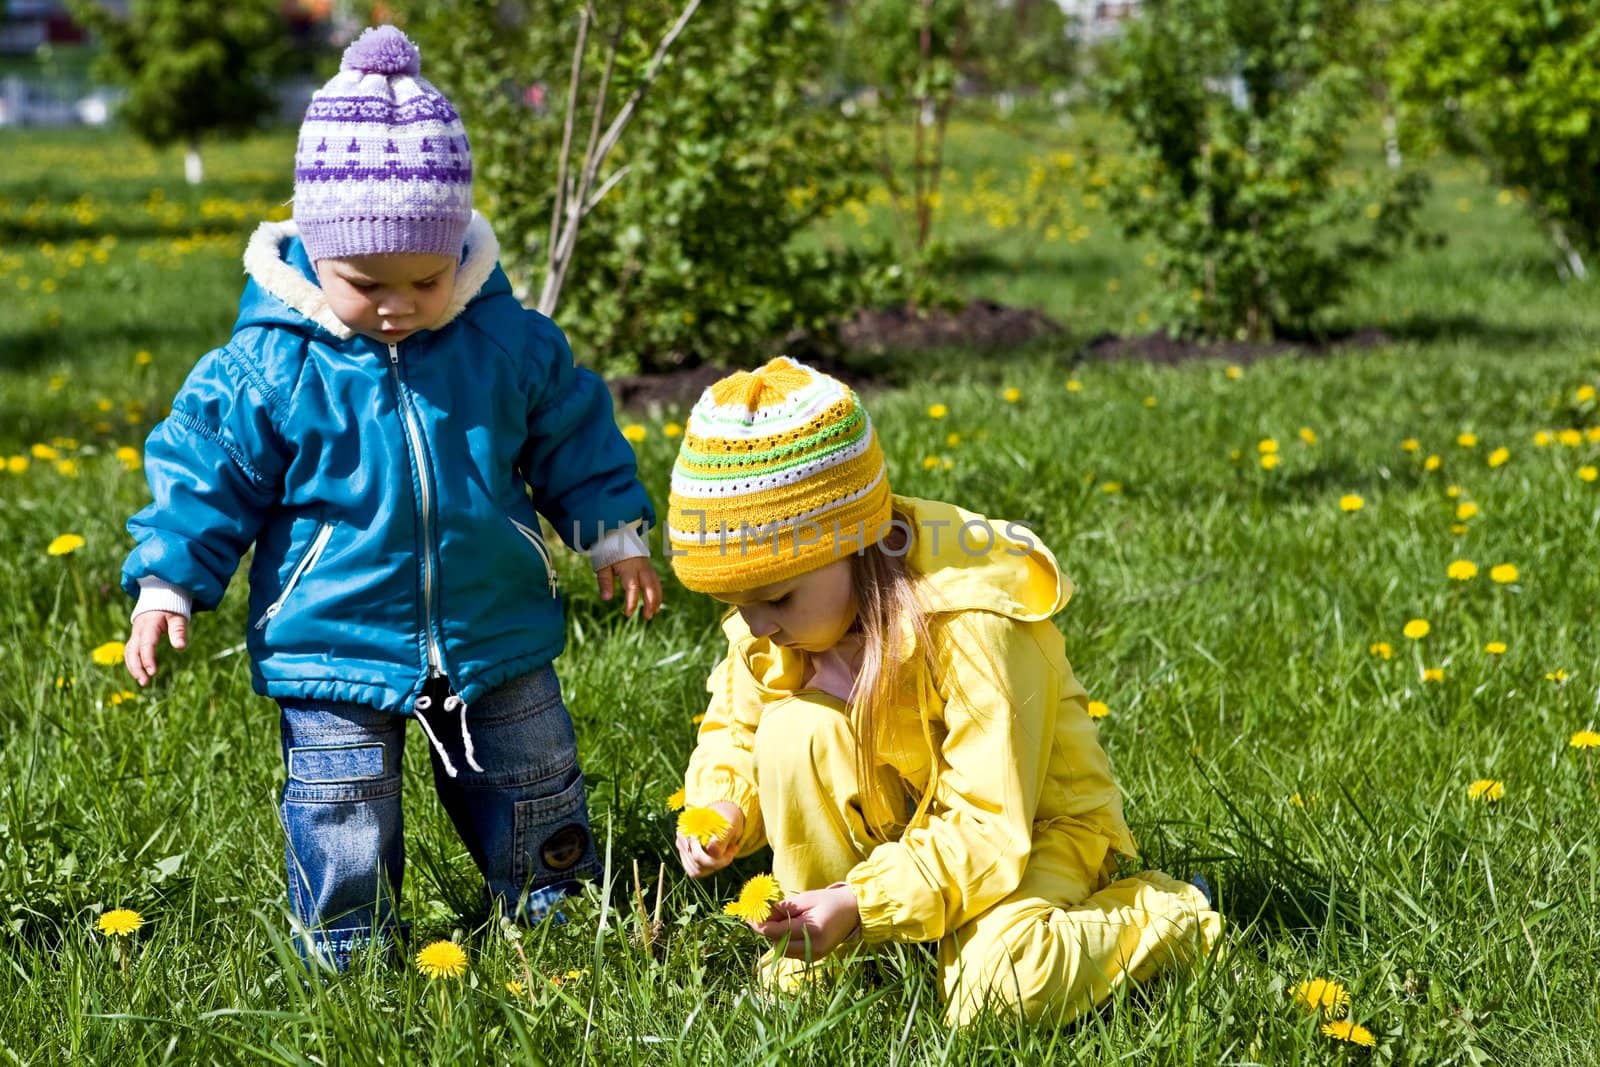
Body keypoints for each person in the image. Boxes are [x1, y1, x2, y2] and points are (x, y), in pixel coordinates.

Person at [119, 26, 661, 970]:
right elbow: (204, 471)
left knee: (534, 777)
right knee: (343, 805)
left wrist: (613, 533)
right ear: (317, 254)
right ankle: (349, 950)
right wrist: (168, 581)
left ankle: (558, 914)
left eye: (427, 277)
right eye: (367, 283)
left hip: (494, 624)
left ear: (460, 249)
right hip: (330, 634)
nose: (401, 304)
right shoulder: (270, 367)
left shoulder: (509, 345)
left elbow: (573, 433)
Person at [669, 357, 1219, 1025]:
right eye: (732, 601)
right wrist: (723, 804)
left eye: (775, 595)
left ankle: (1175, 910)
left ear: (855, 539)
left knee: (997, 991)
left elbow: (989, 820)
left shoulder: (971, 621)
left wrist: (867, 902)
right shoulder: (778, 618)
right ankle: (832, 940)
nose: (754, 624)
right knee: (793, 729)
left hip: (1030, 831)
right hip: (901, 823)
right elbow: (740, 724)